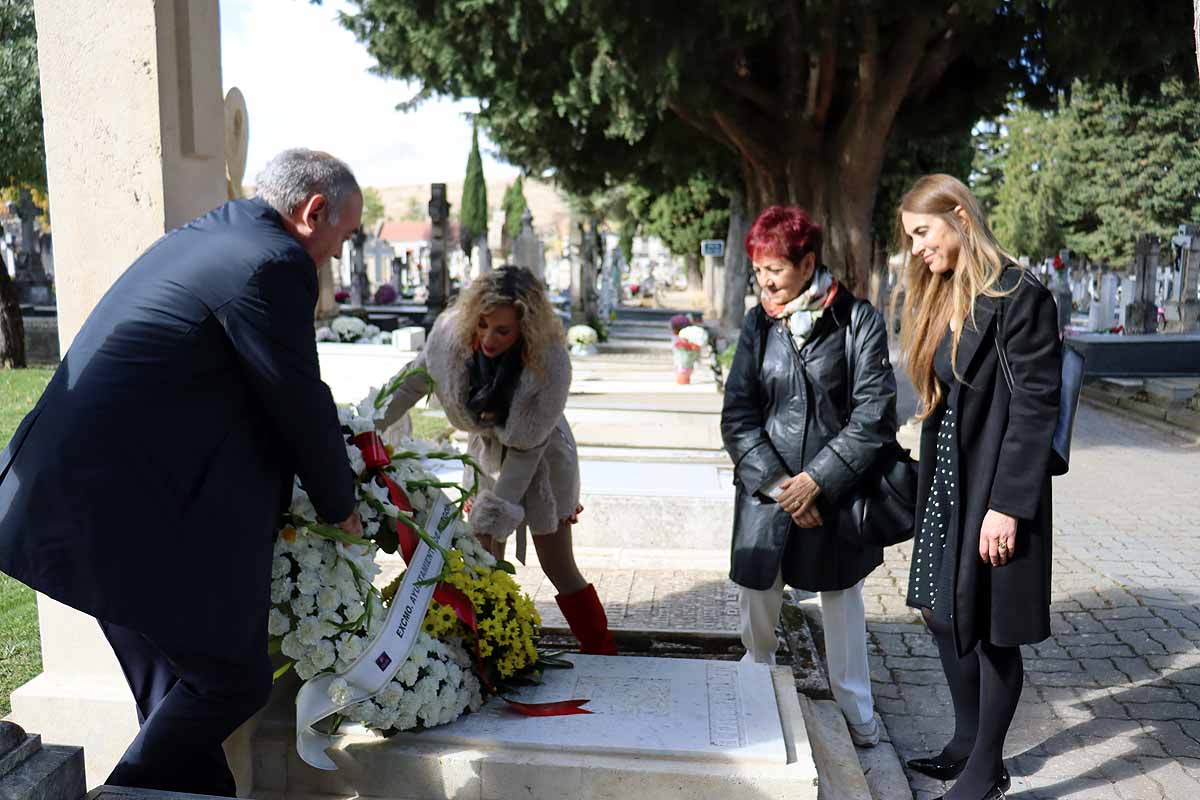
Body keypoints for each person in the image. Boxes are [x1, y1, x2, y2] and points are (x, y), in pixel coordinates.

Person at [0, 149, 365, 796]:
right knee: (232, 680)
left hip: (80, 499)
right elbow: (295, 396)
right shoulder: (274, 263)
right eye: (342, 237)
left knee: (173, 694)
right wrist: (342, 502)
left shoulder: (214, 233)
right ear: (313, 212)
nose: (336, 253)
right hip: (108, 511)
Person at [895, 174, 1061, 800]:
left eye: (922, 232)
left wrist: (1008, 507)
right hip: (948, 482)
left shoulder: (1022, 295)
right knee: (943, 614)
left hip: (995, 490)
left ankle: (986, 769)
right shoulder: (944, 293)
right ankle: (966, 741)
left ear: (960, 217)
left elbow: (1036, 407)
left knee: (991, 628)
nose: (916, 248)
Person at [721, 206, 898, 748]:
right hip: (769, 491)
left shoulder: (857, 319)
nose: (765, 281)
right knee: (759, 593)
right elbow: (739, 415)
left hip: (837, 489)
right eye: (758, 270)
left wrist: (817, 480)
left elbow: (874, 414)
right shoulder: (758, 324)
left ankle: (855, 706)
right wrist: (781, 486)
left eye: (775, 269)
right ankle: (757, 679)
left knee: (842, 598)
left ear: (807, 262)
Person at [377, 265, 617, 655]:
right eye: (483, 324)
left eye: (502, 330)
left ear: (525, 330)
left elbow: (525, 452)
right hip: (487, 458)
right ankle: (493, 655)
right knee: (483, 561)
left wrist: (496, 513)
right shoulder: (452, 341)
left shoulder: (548, 366)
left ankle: (602, 649)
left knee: (558, 565)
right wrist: (366, 422)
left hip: (542, 461)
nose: (488, 338)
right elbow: (413, 380)